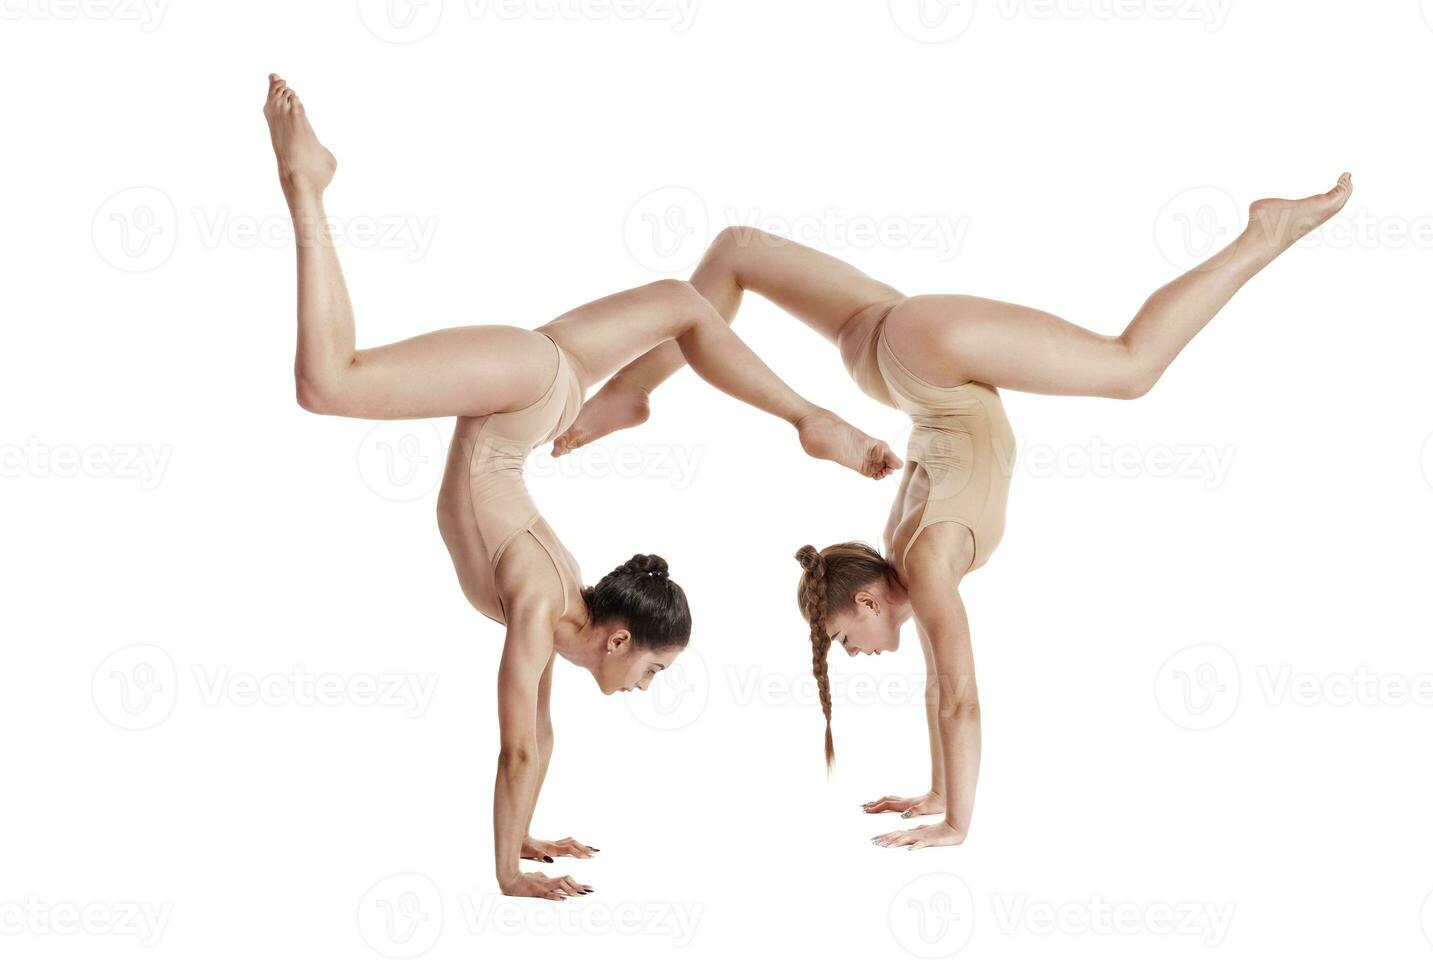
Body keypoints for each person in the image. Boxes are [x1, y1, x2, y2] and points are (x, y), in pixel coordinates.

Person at [553, 172, 1353, 849]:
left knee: (1129, 367)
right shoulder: (907, 549)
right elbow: (940, 683)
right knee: (735, 251)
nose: (856, 651)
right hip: (891, 363)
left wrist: (957, 824)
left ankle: (1263, 233)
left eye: (843, 635)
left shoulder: (926, 560)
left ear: (867, 599)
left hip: (925, 356)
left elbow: (960, 693)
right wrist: (936, 793)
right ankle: (631, 389)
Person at [262, 73, 900, 896]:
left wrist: (525, 834)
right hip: (524, 391)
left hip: (540, 393)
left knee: (681, 301)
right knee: (329, 384)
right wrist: (504, 875)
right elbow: (515, 747)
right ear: (618, 639)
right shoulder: (536, 599)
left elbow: (541, 735)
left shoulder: (558, 617)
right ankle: (306, 182)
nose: (646, 689)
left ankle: (633, 395)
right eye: (652, 673)